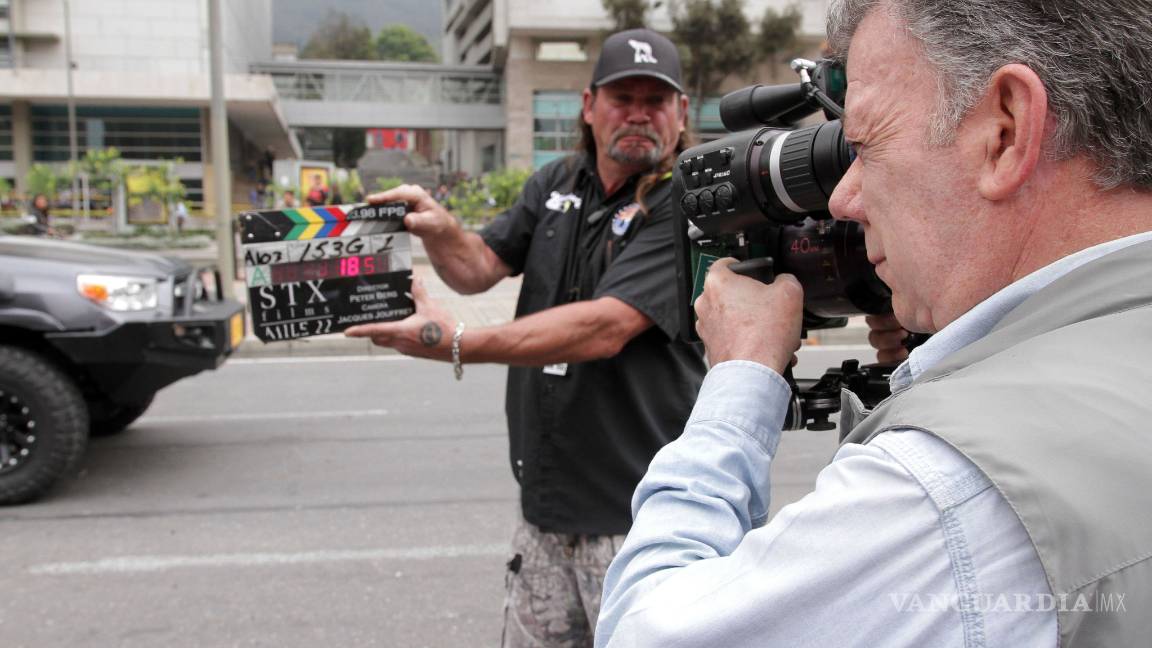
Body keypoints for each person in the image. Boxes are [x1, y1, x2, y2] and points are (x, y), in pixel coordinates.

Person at [597, 1, 1152, 646]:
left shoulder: (941, 493)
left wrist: (742, 374)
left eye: (864, 145)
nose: (842, 199)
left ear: (1005, 130)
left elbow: (642, 631)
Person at [345, 28, 708, 647]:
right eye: (623, 98)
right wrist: (440, 228)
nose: (638, 114)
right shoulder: (556, 182)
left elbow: (606, 327)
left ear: (681, 113)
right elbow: (477, 267)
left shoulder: (687, 201)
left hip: (639, 521)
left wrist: (456, 341)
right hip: (544, 510)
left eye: (656, 100)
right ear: (589, 106)